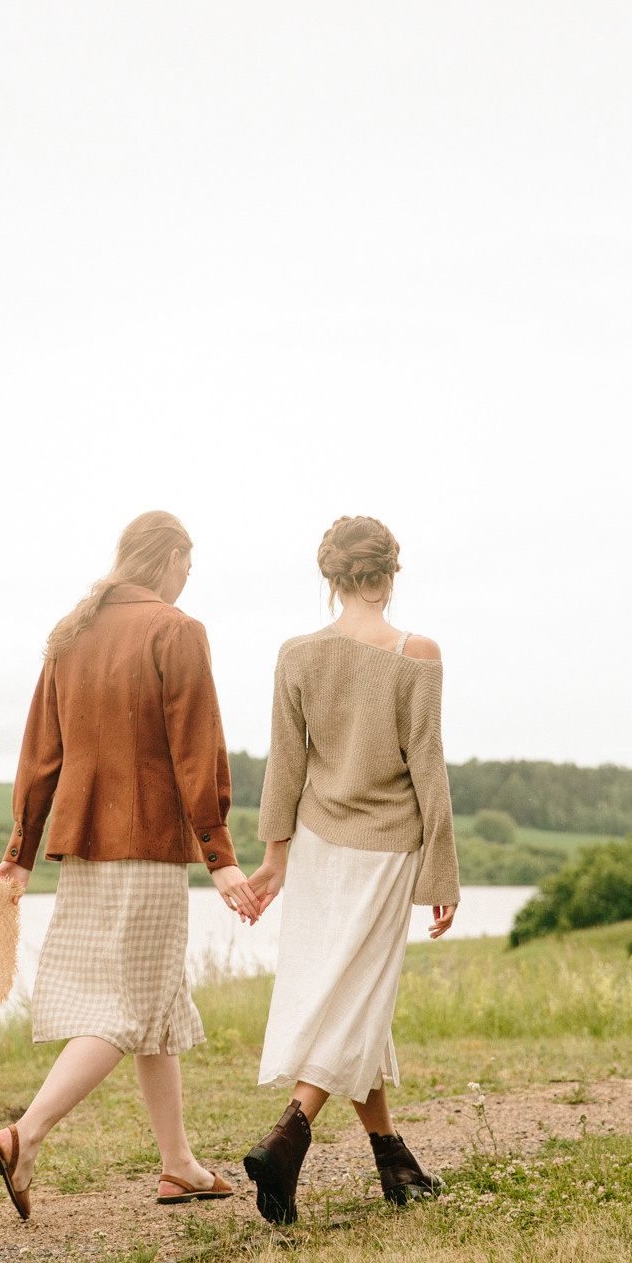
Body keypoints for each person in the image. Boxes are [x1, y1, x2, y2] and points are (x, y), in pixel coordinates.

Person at [0, 510, 261, 1218]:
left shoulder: (72, 632)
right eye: (186, 569)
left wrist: (21, 852)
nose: (184, 583)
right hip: (147, 844)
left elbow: (40, 751)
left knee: (154, 1000)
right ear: (169, 558)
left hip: (85, 844)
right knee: (126, 1006)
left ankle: (179, 1166)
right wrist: (221, 856)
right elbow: (197, 750)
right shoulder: (176, 629)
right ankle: (27, 1134)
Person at [243, 515, 460, 1223]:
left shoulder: (296, 653)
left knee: (350, 994)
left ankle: (392, 1158)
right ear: (391, 573)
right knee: (358, 994)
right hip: (386, 846)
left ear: (330, 578)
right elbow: (427, 765)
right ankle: (289, 1137)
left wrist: (275, 857)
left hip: (315, 844)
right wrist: (442, 874)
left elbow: (286, 762)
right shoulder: (416, 652)